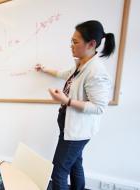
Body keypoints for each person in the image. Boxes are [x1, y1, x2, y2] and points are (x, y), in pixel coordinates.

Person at [35, 20, 114, 190]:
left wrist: (67, 101)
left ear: (91, 44)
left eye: (75, 42)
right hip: (69, 126)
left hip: (77, 131)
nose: (71, 45)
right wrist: (44, 69)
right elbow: (64, 74)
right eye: (71, 41)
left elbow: (99, 107)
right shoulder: (81, 64)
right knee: (75, 164)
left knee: (58, 171)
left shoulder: (96, 71)